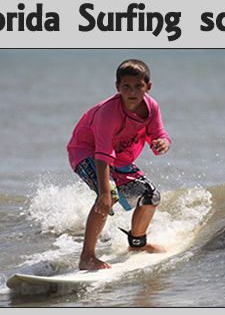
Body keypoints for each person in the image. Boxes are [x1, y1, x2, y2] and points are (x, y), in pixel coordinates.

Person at [67, 59, 171, 270]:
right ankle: (87, 257)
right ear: (117, 86)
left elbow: (158, 134)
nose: (132, 91)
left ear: (148, 87)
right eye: (126, 86)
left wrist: (163, 143)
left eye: (138, 86)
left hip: (120, 158)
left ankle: (137, 244)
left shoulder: (152, 107)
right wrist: (105, 193)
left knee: (151, 197)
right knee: (109, 196)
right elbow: (102, 154)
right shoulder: (108, 113)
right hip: (87, 153)